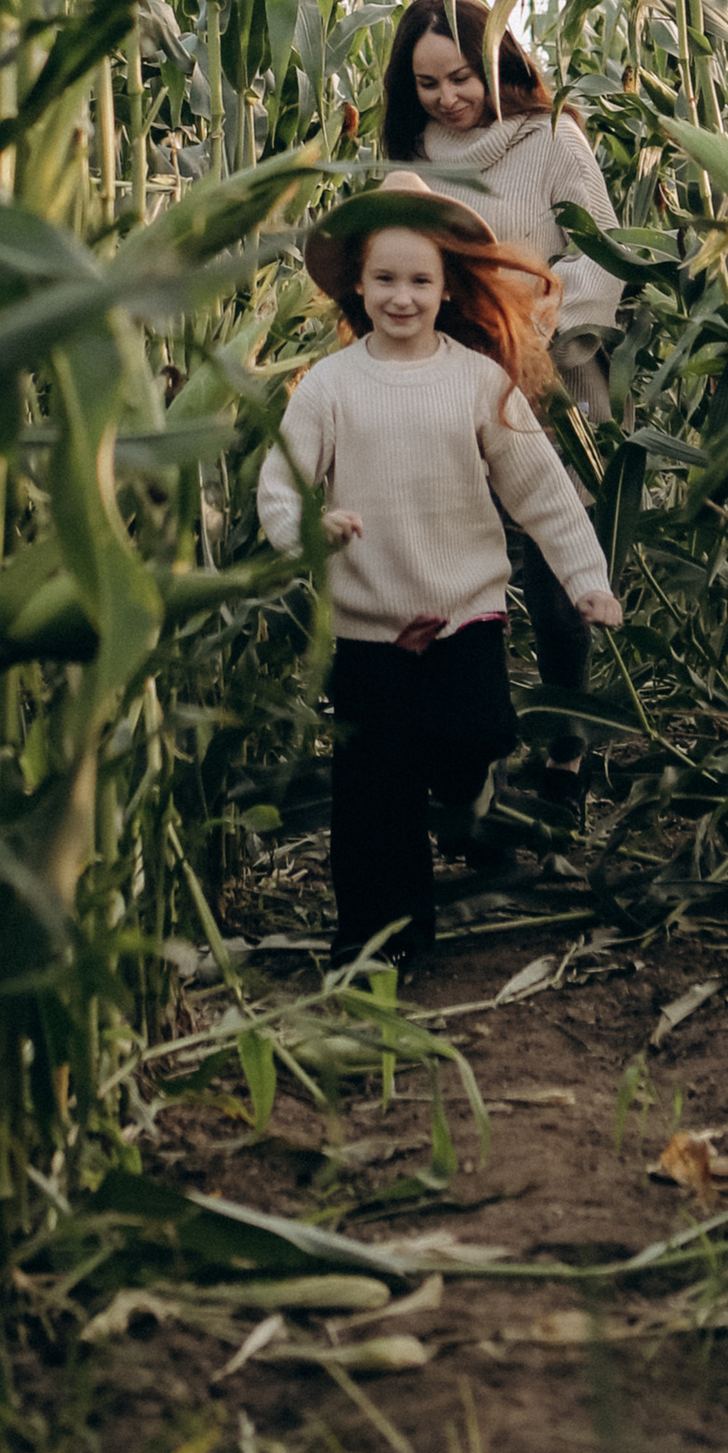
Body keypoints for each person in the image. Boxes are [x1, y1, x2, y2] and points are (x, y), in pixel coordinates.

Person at [257, 177, 623, 969]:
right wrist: (306, 535)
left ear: (447, 285)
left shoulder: (478, 382)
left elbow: (542, 492)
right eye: (385, 279)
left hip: (467, 611)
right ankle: (380, 942)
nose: (401, 296)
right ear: (356, 283)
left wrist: (584, 578)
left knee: (476, 735)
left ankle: (468, 795)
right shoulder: (328, 387)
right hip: (366, 622)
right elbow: (281, 483)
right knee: (372, 794)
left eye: (419, 280)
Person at [378, 0, 623, 808]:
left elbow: (604, 259)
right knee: (457, 578)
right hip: (446, 392)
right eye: (427, 83)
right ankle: (471, 766)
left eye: (461, 77)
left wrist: (534, 321)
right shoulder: (410, 158)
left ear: (496, 63)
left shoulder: (549, 141)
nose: (448, 98)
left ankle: (565, 749)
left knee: (556, 579)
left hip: (549, 385)